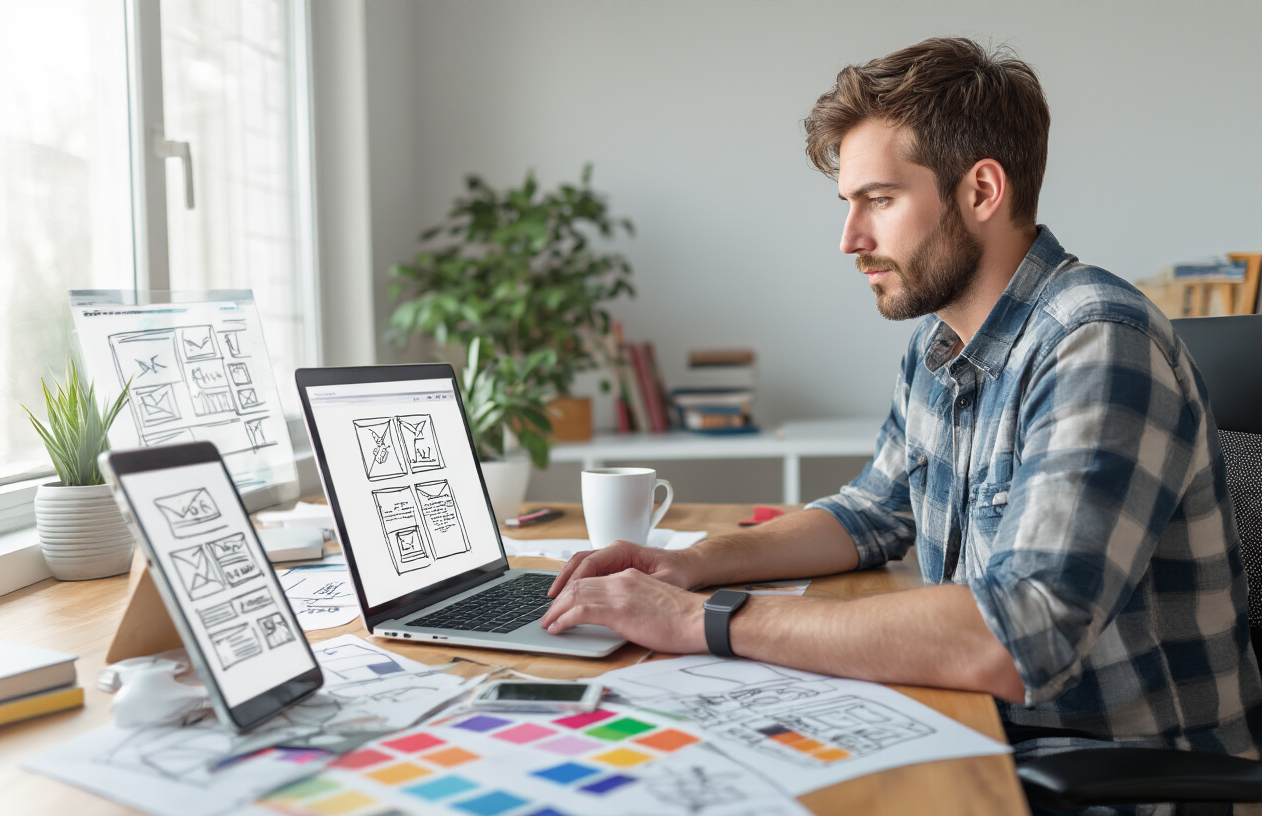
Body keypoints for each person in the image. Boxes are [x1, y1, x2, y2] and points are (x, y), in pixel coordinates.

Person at [540, 35, 1262, 803]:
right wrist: (689, 566)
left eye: (879, 200)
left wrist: (702, 619)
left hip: (1118, 779)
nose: (850, 238)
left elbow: (1016, 636)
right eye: (850, 204)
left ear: (982, 191)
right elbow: (869, 513)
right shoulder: (939, 341)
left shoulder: (1097, 343)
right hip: (985, 728)